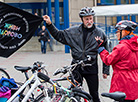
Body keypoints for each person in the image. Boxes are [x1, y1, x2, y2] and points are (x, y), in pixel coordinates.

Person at [43, 7, 110, 102]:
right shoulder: (73, 31)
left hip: (91, 67)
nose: (89, 21)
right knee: (74, 94)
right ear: (82, 19)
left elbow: (106, 53)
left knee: (94, 95)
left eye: (91, 18)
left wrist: (105, 70)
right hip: (76, 68)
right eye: (87, 19)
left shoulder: (99, 33)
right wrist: (49, 24)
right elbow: (59, 35)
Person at [96, 20, 138, 102]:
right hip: (134, 81)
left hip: (122, 82)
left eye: (118, 31)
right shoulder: (136, 45)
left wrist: (101, 49)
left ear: (125, 32)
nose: (116, 33)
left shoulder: (121, 47)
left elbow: (108, 60)